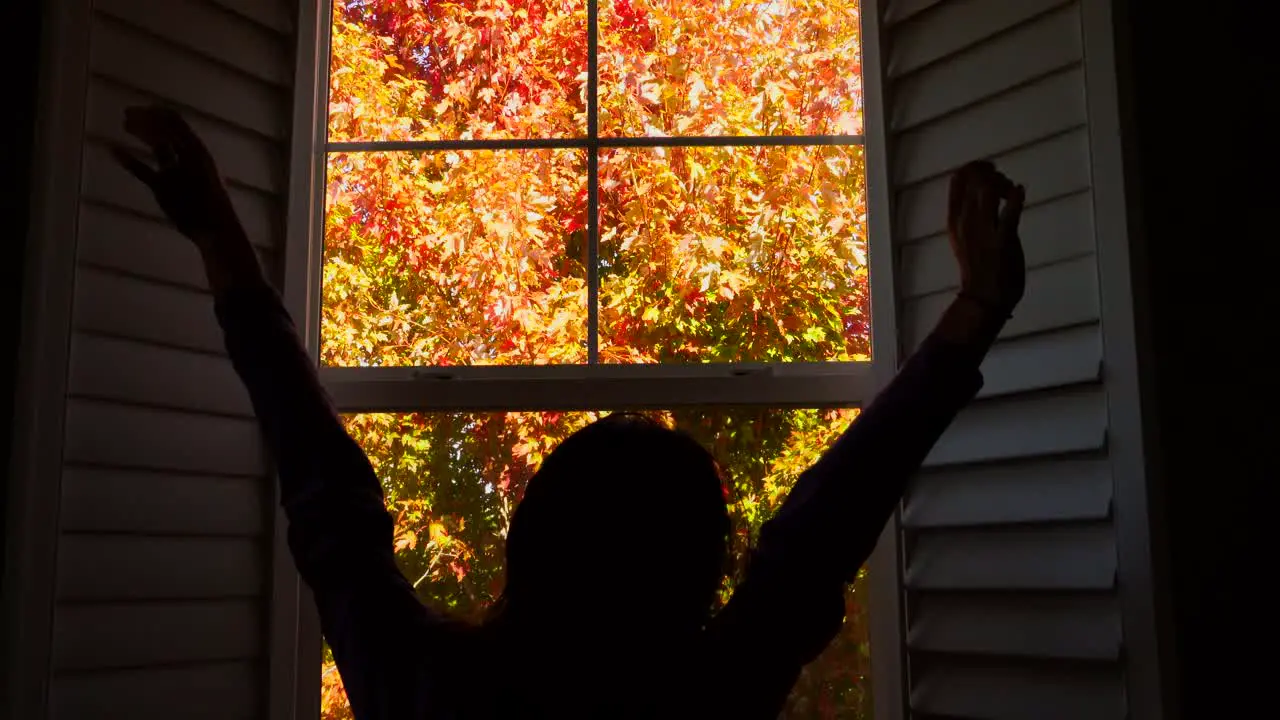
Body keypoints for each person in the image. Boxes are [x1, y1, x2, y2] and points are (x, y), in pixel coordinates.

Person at [113, 105, 1026, 720]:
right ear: (701, 572)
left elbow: (326, 494)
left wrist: (220, 238)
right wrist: (974, 311)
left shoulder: (426, 687)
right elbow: (831, 520)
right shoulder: (709, 695)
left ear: (529, 538)